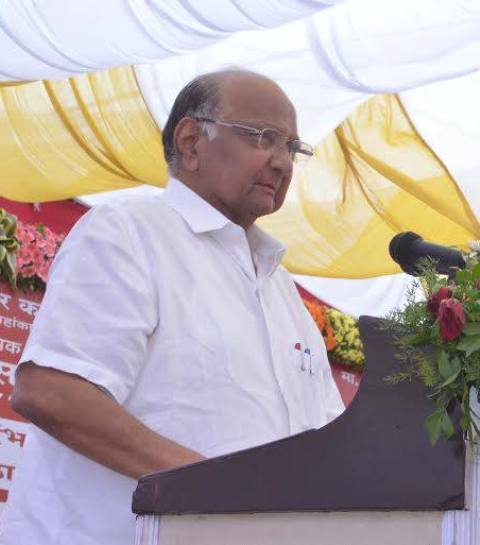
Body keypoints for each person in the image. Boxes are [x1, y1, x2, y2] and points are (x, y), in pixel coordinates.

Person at [0, 69, 344, 545]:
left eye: (292, 147)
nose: (283, 162)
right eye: (263, 137)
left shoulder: (283, 290)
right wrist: (221, 494)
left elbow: (330, 441)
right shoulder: (129, 231)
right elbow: (52, 391)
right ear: (190, 141)